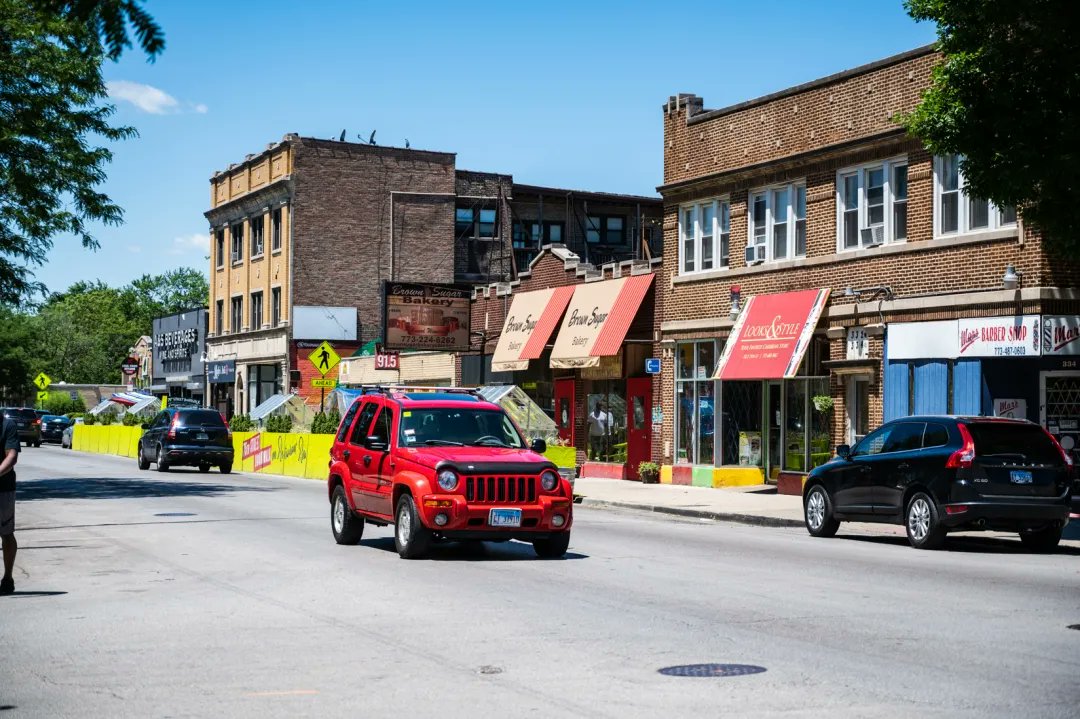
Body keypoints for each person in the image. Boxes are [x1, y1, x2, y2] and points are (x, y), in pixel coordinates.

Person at [1, 411, 20, 595]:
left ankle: (7, 577)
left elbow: (12, 457)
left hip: (3, 488)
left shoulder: (7, 426)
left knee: (6, 534)